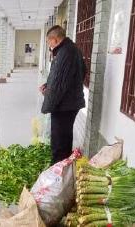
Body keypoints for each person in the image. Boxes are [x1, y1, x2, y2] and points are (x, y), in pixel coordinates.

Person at [40, 25, 86, 164]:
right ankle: (65, 167)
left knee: (59, 142)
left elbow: (59, 83)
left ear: (54, 39)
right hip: (71, 103)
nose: (49, 45)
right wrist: (48, 86)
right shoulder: (74, 50)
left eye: (49, 42)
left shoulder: (65, 53)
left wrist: (48, 96)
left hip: (63, 105)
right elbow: (80, 73)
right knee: (65, 137)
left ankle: (58, 173)